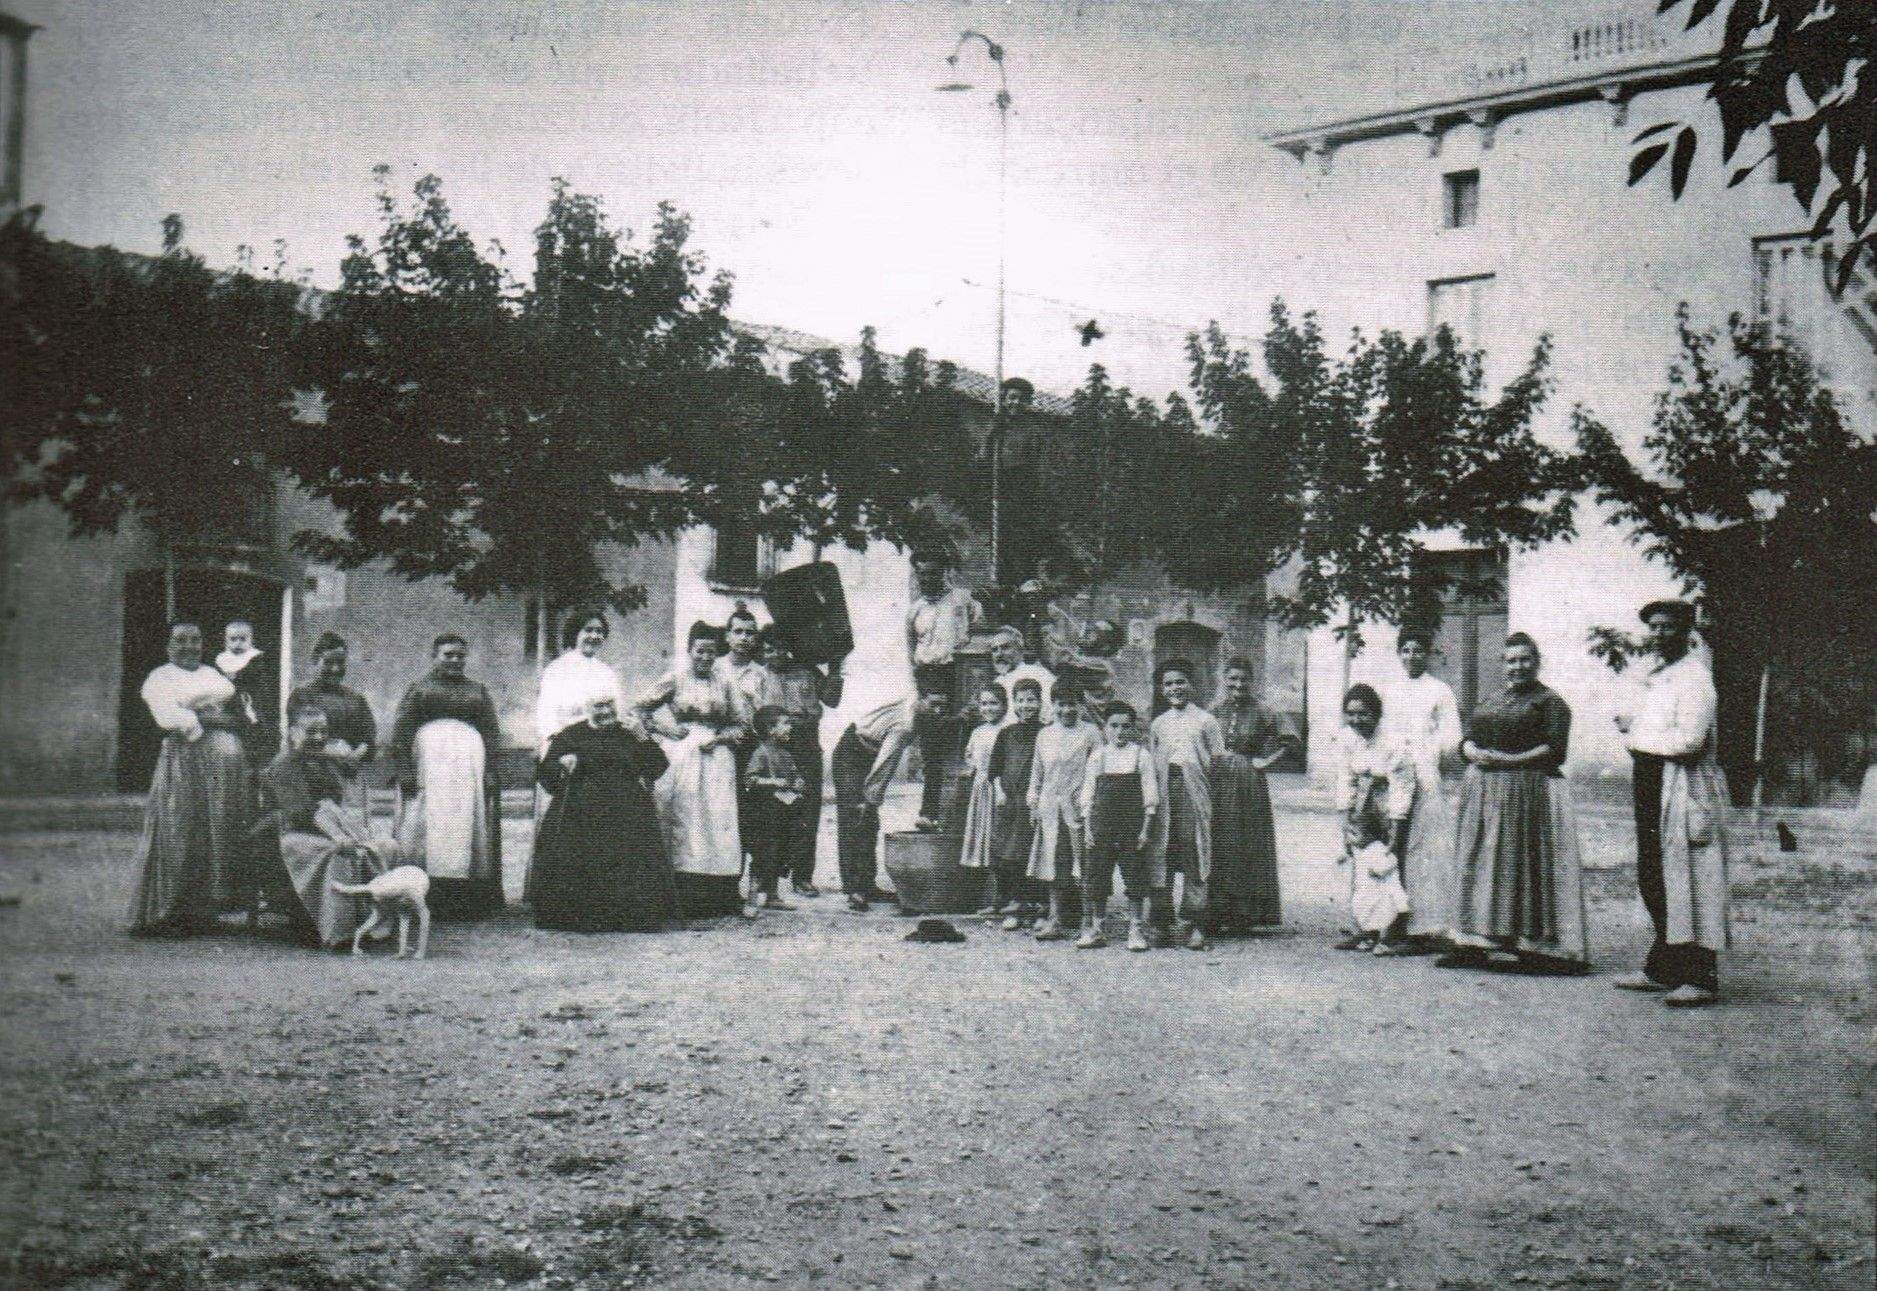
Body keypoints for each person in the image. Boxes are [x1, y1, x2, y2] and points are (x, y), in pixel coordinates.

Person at [1443, 633, 1590, 973]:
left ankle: (1532, 945)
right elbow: (1467, 737)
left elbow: (1554, 749)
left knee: (1520, 864)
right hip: (1484, 792)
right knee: (1481, 862)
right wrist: (1471, 751)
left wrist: (1509, 761)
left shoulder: (1550, 702)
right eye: (1511, 660)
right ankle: (1478, 941)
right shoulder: (1492, 699)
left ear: (1536, 662)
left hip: (1528, 791)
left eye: (1524, 659)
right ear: (1503, 664)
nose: (1518, 666)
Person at [1612, 599, 1730, 1007]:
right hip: (1651, 781)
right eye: (1655, 627)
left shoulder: (1696, 679)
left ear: (1686, 631)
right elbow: (1647, 727)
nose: (1660, 634)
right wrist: (1637, 730)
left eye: (1669, 627)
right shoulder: (1658, 676)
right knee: (1654, 875)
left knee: (1691, 877)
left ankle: (1701, 976)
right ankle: (1664, 966)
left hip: (1684, 787)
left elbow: (1688, 743)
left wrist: (1635, 736)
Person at [127, 620, 255, 935]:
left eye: (195, 640)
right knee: (179, 830)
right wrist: (203, 720)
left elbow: (239, 714)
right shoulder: (161, 677)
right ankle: (167, 912)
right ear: (168, 645)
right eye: (181, 640)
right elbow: (169, 717)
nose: (189, 646)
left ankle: (201, 910)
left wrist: (221, 719)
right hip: (186, 764)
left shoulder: (212, 674)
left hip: (221, 772)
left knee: (212, 833)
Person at [531, 693, 676, 933]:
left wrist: (643, 738)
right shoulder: (571, 735)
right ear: (588, 709)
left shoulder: (629, 732)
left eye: (610, 705)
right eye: (599, 706)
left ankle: (627, 915)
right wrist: (561, 764)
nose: (606, 711)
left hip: (627, 811)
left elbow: (657, 767)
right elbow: (546, 774)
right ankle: (583, 915)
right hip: (580, 811)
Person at [256, 701, 392, 949]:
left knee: (383, 846)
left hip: (324, 825)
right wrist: (337, 835)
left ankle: (372, 924)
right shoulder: (284, 764)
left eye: (323, 732)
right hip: (288, 829)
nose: (319, 738)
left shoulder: (325, 760)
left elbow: (344, 800)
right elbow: (300, 812)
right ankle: (338, 931)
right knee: (337, 852)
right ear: (293, 732)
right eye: (311, 732)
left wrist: (349, 827)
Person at [389, 633, 505, 918]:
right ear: (434, 656)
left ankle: (465, 897)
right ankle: (426, 892)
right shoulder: (419, 689)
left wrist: (491, 770)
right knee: (427, 825)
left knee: (466, 826)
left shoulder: (477, 691)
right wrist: (404, 769)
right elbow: (402, 731)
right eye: (448, 655)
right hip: (429, 768)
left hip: (468, 771)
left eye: (460, 655)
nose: (455, 660)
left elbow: (491, 732)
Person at [637, 622, 747, 919]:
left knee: (717, 821)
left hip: (717, 756)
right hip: (682, 754)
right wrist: (665, 730)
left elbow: (741, 724)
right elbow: (641, 708)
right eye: (699, 651)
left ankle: (719, 895)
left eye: (711, 652)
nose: (705, 658)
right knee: (684, 819)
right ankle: (678, 894)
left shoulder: (725, 682)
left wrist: (720, 738)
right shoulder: (675, 677)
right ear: (689, 650)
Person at [829, 680, 949, 912]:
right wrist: (870, 799)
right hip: (851, 754)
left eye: (943, 706)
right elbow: (886, 764)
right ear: (920, 698)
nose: (938, 711)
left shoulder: (919, 710)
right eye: (933, 705)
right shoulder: (906, 722)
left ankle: (867, 884)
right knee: (856, 817)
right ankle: (854, 889)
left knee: (870, 821)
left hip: (869, 753)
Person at [1379, 627, 1464, 950]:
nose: (1411, 656)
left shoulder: (1440, 691)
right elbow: (1383, 730)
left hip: (1425, 774)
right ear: (1399, 654)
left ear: (1428, 654)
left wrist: (1428, 757)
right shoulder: (1391, 690)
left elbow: (1450, 737)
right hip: (1395, 770)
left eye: (1417, 650)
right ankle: (1388, 921)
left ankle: (1426, 925)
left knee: (1424, 849)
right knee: (1393, 843)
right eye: (1405, 650)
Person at [1211, 656, 1297, 934]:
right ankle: (1217, 910)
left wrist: (1265, 761)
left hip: (1249, 784)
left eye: (1243, 679)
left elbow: (1290, 741)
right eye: (1232, 678)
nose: (1238, 685)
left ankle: (1245, 914)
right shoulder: (1214, 710)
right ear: (1224, 679)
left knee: (1246, 840)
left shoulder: (1263, 711)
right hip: (1218, 782)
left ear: (1251, 681)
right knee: (1220, 840)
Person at [759, 628, 844, 898]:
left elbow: (831, 699)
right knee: (775, 810)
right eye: (770, 649)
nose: (776, 654)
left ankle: (802, 877)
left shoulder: (808, 672)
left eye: (782, 648)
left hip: (807, 744)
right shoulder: (759, 675)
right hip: (775, 747)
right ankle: (769, 879)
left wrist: (835, 666)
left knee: (807, 812)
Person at [1149, 659, 1227, 951]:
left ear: (1192, 685)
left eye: (1180, 682)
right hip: (1165, 791)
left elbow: (1217, 764)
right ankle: (1161, 923)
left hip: (1196, 792)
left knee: (1195, 852)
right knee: (1162, 853)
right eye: (1168, 684)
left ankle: (1197, 923)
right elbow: (1154, 761)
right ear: (1162, 689)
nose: (1175, 688)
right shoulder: (1159, 723)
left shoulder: (1206, 721)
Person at [1331, 685, 1415, 954]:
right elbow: (1345, 779)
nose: (1357, 720)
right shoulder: (1347, 739)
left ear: (1377, 714)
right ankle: (1365, 929)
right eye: (1351, 714)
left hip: (1389, 804)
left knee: (1389, 865)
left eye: (1364, 714)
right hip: (1362, 805)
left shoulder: (1393, 742)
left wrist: (1397, 823)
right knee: (1363, 865)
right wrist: (1346, 819)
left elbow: (1402, 784)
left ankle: (1391, 934)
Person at [906, 554, 980, 829]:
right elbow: (911, 651)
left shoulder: (962, 600)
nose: (927, 579)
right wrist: (919, 690)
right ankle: (930, 810)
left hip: (957, 672)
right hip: (929, 677)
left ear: (944, 572)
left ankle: (963, 814)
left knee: (963, 737)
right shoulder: (915, 610)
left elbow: (978, 628)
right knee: (931, 744)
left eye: (933, 573)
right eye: (922, 574)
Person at [1079, 701, 1159, 952]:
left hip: (1131, 826)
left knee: (1134, 876)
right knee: (1097, 875)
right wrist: (1089, 828)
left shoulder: (1140, 756)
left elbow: (1150, 796)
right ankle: (1097, 927)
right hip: (1102, 825)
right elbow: (1088, 795)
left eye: (1125, 726)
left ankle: (1136, 929)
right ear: (1105, 727)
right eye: (1114, 726)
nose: (1119, 732)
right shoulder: (1098, 756)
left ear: (1133, 728)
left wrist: (1145, 829)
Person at [1026, 685, 1101, 941]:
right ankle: (1055, 919)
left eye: (1072, 704)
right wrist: (1033, 802)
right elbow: (1037, 772)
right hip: (1050, 808)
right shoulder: (1045, 734)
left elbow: (1097, 771)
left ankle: (1088, 921)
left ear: (1081, 705)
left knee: (1084, 863)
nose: (1067, 710)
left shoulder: (1090, 733)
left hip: (1080, 808)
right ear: (1054, 705)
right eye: (1061, 704)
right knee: (1054, 862)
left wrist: (1089, 804)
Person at [988, 676, 1045, 927]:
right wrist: (1000, 791)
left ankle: (1034, 907)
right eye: (1020, 701)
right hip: (1010, 800)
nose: (1026, 706)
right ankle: (1012, 905)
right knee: (1007, 852)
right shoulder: (1007, 733)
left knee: (1031, 853)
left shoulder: (1046, 732)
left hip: (1033, 802)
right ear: (1013, 703)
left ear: (1041, 702)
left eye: (1031, 700)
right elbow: (996, 768)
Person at [744, 705, 809, 915]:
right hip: (765, 814)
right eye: (786, 723)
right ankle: (752, 899)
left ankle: (772, 896)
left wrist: (798, 782)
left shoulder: (786, 755)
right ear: (770, 729)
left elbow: (796, 776)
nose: (790, 727)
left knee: (779, 854)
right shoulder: (760, 754)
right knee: (763, 855)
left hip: (783, 813)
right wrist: (776, 782)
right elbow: (750, 780)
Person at [535, 606, 623, 754]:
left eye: (599, 631)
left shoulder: (607, 673)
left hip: (601, 745)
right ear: (575, 633)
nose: (594, 636)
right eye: (588, 630)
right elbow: (546, 716)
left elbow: (617, 712)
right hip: (566, 745)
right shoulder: (556, 670)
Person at [287, 632, 376, 776]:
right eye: (328, 662)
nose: (335, 669)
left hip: (350, 775)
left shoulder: (356, 699)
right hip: (313, 775)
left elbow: (368, 740)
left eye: (340, 662)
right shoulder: (302, 695)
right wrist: (334, 754)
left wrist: (355, 756)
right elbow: (298, 742)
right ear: (316, 660)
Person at [955, 685, 1008, 875]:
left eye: (994, 703)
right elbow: (971, 761)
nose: (988, 708)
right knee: (981, 831)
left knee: (1000, 833)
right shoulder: (977, 732)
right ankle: (983, 878)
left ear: (1004, 705)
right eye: (984, 704)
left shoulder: (1008, 729)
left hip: (1002, 786)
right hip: (981, 787)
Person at [216, 618, 280, 763]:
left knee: (252, 720)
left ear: (251, 641)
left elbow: (253, 673)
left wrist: (237, 676)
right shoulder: (223, 659)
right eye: (233, 639)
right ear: (226, 641)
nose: (238, 643)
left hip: (250, 695)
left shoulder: (254, 658)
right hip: (230, 698)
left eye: (243, 639)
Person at [990, 626, 1055, 726]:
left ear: (1020, 649)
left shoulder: (1040, 674)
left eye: (1005, 647)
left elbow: (1052, 712)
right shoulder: (997, 682)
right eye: (995, 650)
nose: (999, 654)